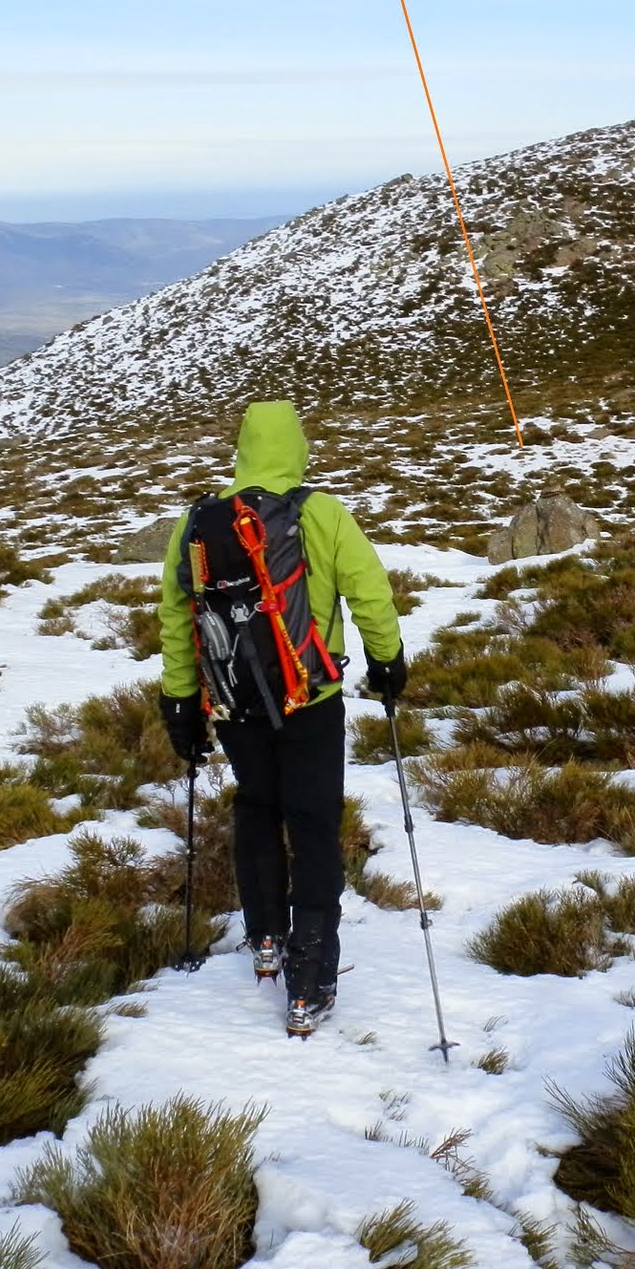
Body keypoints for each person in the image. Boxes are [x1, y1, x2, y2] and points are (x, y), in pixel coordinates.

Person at [155, 400, 407, 1035]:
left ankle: (265, 936)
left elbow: (178, 619)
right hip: (310, 700)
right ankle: (311, 978)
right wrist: (388, 661)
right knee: (314, 823)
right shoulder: (320, 513)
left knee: (258, 807)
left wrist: (181, 703)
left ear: (241, 448)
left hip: (236, 702)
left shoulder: (199, 522)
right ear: (298, 448)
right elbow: (369, 591)